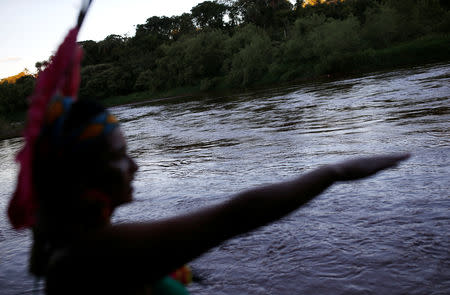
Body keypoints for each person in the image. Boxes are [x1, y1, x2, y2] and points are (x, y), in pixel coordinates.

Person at [7, 2, 410, 294]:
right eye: (117, 157)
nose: (134, 166)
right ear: (79, 177)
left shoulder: (80, 247)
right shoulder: (83, 260)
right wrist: (333, 172)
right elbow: (235, 215)